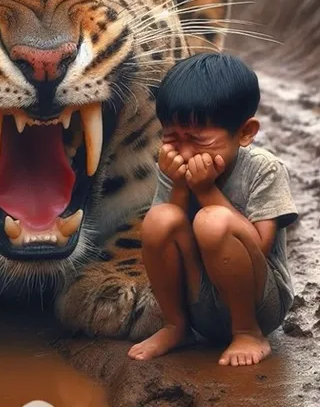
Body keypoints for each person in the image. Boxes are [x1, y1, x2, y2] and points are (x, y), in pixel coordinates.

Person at [128, 53, 298, 367]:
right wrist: (178, 184)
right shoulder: (171, 166)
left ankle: (246, 332)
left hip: (259, 304)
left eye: (198, 140)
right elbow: (165, 234)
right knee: (159, 218)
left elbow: (260, 245)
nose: (186, 151)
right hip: (198, 303)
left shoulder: (264, 170)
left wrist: (206, 191)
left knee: (213, 221)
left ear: (245, 132)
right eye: (172, 138)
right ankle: (175, 326)